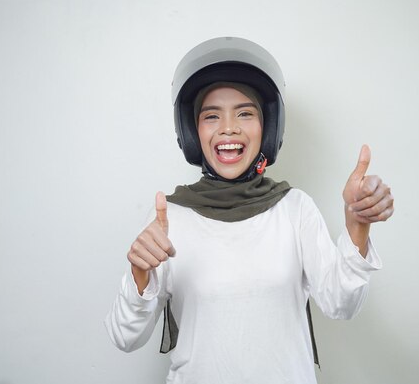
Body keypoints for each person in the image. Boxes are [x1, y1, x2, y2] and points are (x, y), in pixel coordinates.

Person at [105, 37, 394, 384]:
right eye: (211, 115)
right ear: (192, 132)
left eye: (245, 112)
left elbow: (342, 305)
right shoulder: (170, 220)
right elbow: (125, 338)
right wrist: (139, 274)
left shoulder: (294, 208)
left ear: (267, 128)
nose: (229, 127)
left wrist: (357, 226)